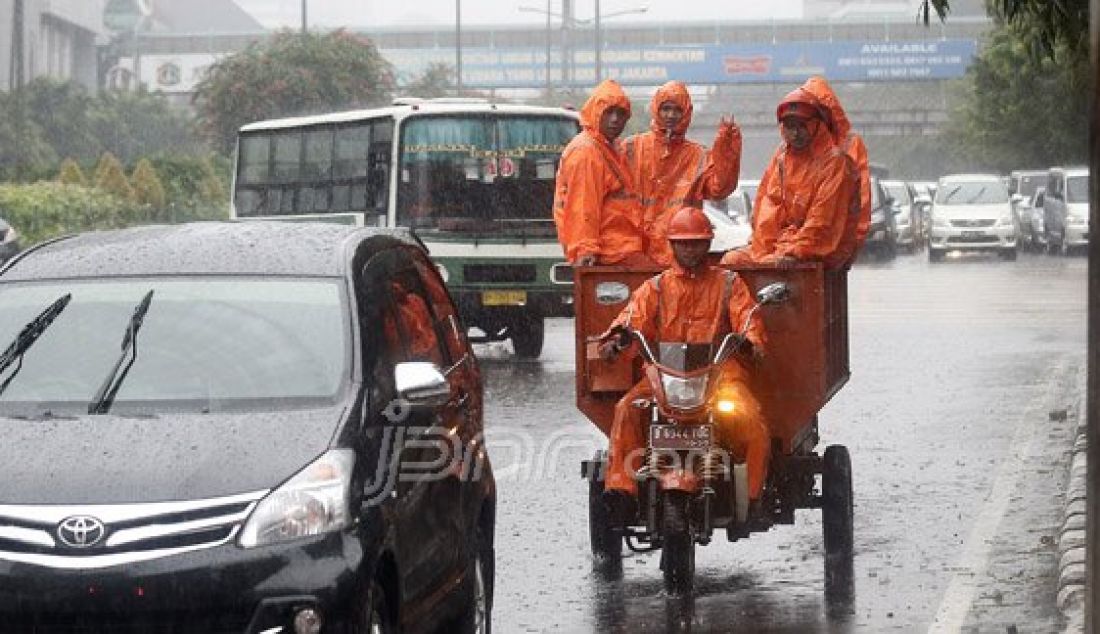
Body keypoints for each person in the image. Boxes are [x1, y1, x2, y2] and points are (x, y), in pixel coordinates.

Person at [598, 206, 770, 519]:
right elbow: (631, 316)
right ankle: (622, 491)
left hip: (721, 374)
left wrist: (751, 341)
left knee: (751, 419)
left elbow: (748, 316)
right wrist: (617, 337)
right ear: (672, 244)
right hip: (665, 376)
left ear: (708, 244)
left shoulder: (729, 283)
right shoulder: (657, 287)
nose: (690, 249)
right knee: (627, 408)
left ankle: (755, 498)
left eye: (696, 242)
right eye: (683, 242)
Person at [721, 80, 854, 268]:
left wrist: (795, 251)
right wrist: (763, 249)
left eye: (802, 125)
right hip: (781, 247)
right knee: (730, 261)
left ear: (816, 124)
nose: (796, 133)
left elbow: (822, 221)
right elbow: (767, 208)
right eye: (790, 126)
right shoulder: (782, 158)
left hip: (814, 252)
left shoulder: (834, 162)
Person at [620, 80, 742, 267]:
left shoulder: (698, 155)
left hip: (681, 255)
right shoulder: (631, 148)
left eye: (677, 110)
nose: (671, 115)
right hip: (637, 255)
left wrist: (727, 153)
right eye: (666, 109)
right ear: (656, 110)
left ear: (686, 114)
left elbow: (719, 189)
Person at [553, 79, 651, 267]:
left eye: (621, 114)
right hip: (608, 255)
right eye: (608, 112)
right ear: (596, 112)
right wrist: (585, 249)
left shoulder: (606, 147)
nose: (615, 119)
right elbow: (583, 206)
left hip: (618, 250)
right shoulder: (587, 152)